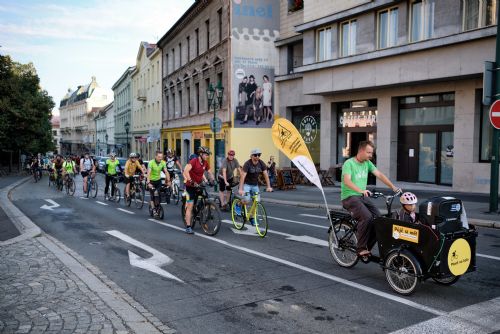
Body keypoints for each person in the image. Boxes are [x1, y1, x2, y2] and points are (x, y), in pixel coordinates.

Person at [340, 141, 401, 257]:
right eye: (368, 152)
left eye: (371, 153)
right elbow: (347, 181)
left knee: (378, 219)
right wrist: (360, 190)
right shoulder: (349, 163)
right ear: (361, 151)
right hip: (349, 197)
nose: (370, 155)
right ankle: (360, 248)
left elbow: (380, 175)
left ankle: (367, 245)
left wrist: (393, 187)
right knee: (366, 217)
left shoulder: (367, 163)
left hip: (362, 196)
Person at [183, 146, 215, 234]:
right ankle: (188, 227)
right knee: (190, 206)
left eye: (208, 155)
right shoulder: (194, 161)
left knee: (205, 197)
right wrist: (190, 180)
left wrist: (212, 180)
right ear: (200, 154)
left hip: (199, 185)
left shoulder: (205, 163)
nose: (207, 156)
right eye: (205, 154)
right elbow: (185, 171)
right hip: (190, 186)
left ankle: (201, 212)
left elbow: (209, 172)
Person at [238, 148, 273, 225]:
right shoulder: (247, 164)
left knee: (257, 201)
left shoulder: (261, 163)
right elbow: (243, 176)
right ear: (251, 156)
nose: (257, 156)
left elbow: (266, 175)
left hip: (255, 185)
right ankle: (238, 204)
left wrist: (268, 186)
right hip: (246, 184)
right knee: (247, 200)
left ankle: (251, 217)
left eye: (259, 155)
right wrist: (240, 189)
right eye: (255, 155)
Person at [147, 151, 171, 216]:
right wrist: (148, 182)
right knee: (153, 195)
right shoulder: (151, 163)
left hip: (158, 180)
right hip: (151, 181)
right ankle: (153, 209)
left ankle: (158, 205)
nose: (160, 158)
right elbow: (148, 173)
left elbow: (166, 172)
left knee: (159, 193)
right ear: (156, 156)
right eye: (159, 157)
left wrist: (168, 181)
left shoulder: (163, 162)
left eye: (161, 157)